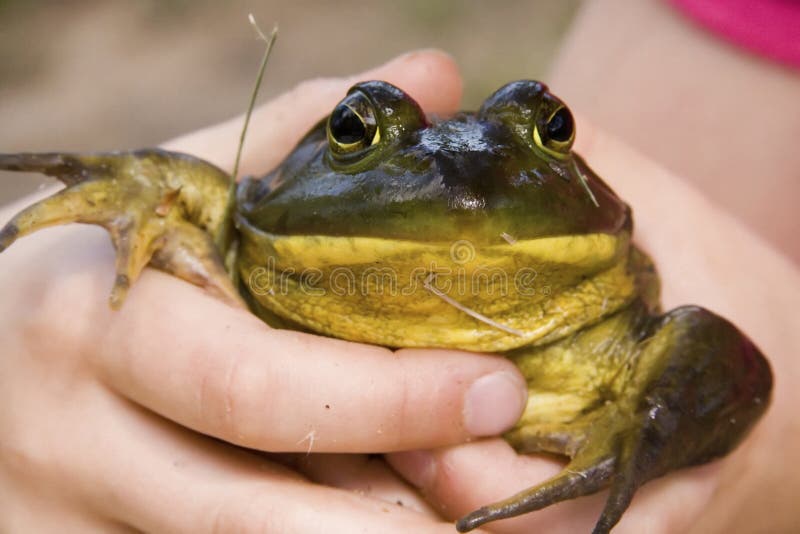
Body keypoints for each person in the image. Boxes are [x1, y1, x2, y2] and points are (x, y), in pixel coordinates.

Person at [0, 47, 798, 534]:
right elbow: (194, 194)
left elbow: (725, 358)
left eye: (549, 136)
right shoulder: (228, 230)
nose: (465, 184)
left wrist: (717, 456)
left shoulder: (635, 340)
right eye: (356, 134)